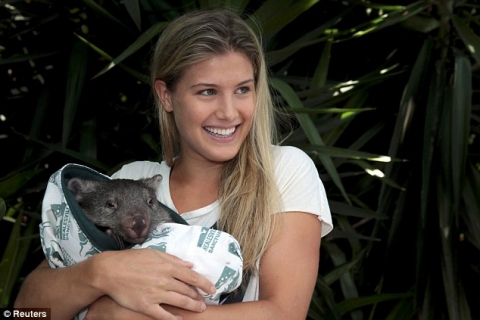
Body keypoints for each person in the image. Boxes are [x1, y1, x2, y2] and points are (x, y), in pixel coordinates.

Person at [15, 7, 333, 320]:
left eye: (242, 90)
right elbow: (27, 312)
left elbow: (284, 312)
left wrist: (121, 313)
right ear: (166, 96)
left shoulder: (283, 170)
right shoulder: (132, 180)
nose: (229, 112)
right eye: (207, 91)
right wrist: (100, 272)